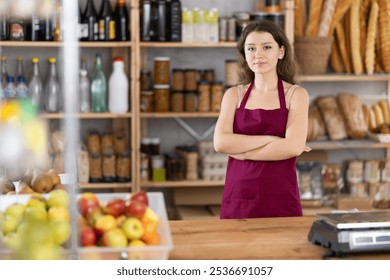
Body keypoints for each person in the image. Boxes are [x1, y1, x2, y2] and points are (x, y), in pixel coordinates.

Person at [214, 20, 310, 219]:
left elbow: (292, 148)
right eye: (251, 48)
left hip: (281, 197)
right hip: (239, 197)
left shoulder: (297, 95)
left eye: (267, 47)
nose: (258, 55)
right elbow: (221, 143)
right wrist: (272, 140)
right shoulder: (233, 95)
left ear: (281, 52)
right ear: (245, 54)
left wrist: (243, 153)